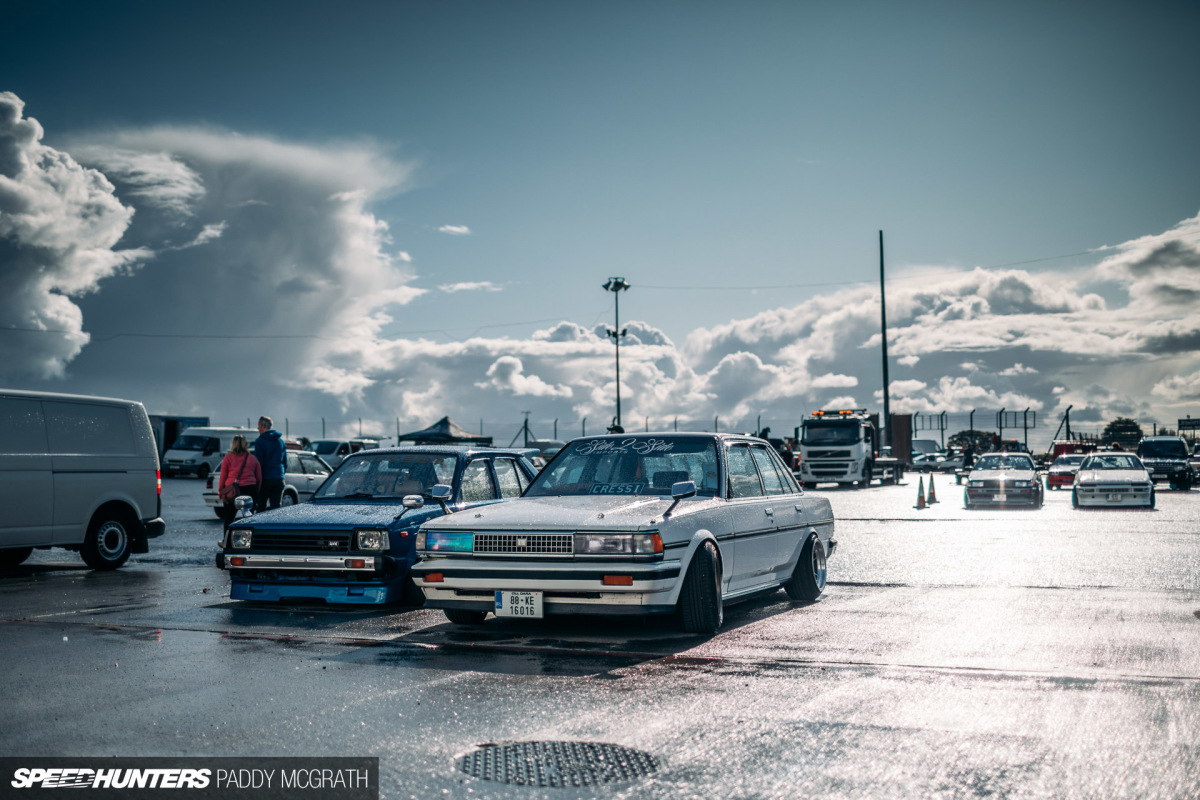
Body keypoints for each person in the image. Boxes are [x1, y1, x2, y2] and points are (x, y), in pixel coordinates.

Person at [218, 435, 261, 529]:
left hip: (232, 491)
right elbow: (259, 478)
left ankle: (227, 541)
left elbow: (223, 477)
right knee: (248, 518)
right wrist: (256, 491)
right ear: (245, 444)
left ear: (233, 444)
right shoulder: (252, 458)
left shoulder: (228, 458)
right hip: (250, 489)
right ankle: (247, 541)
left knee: (229, 518)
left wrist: (221, 491)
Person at [254, 415, 287, 511]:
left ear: (263, 425)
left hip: (265, 479)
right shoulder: (280, 441)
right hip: (279, 478)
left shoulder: (259, 442)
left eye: (258, 426)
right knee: (276, 508)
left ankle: (261, 526)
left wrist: (257, 481)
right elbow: (285, 462)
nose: (258, 429)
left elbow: (259, 464)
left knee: (261, 507)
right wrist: (281, 474)